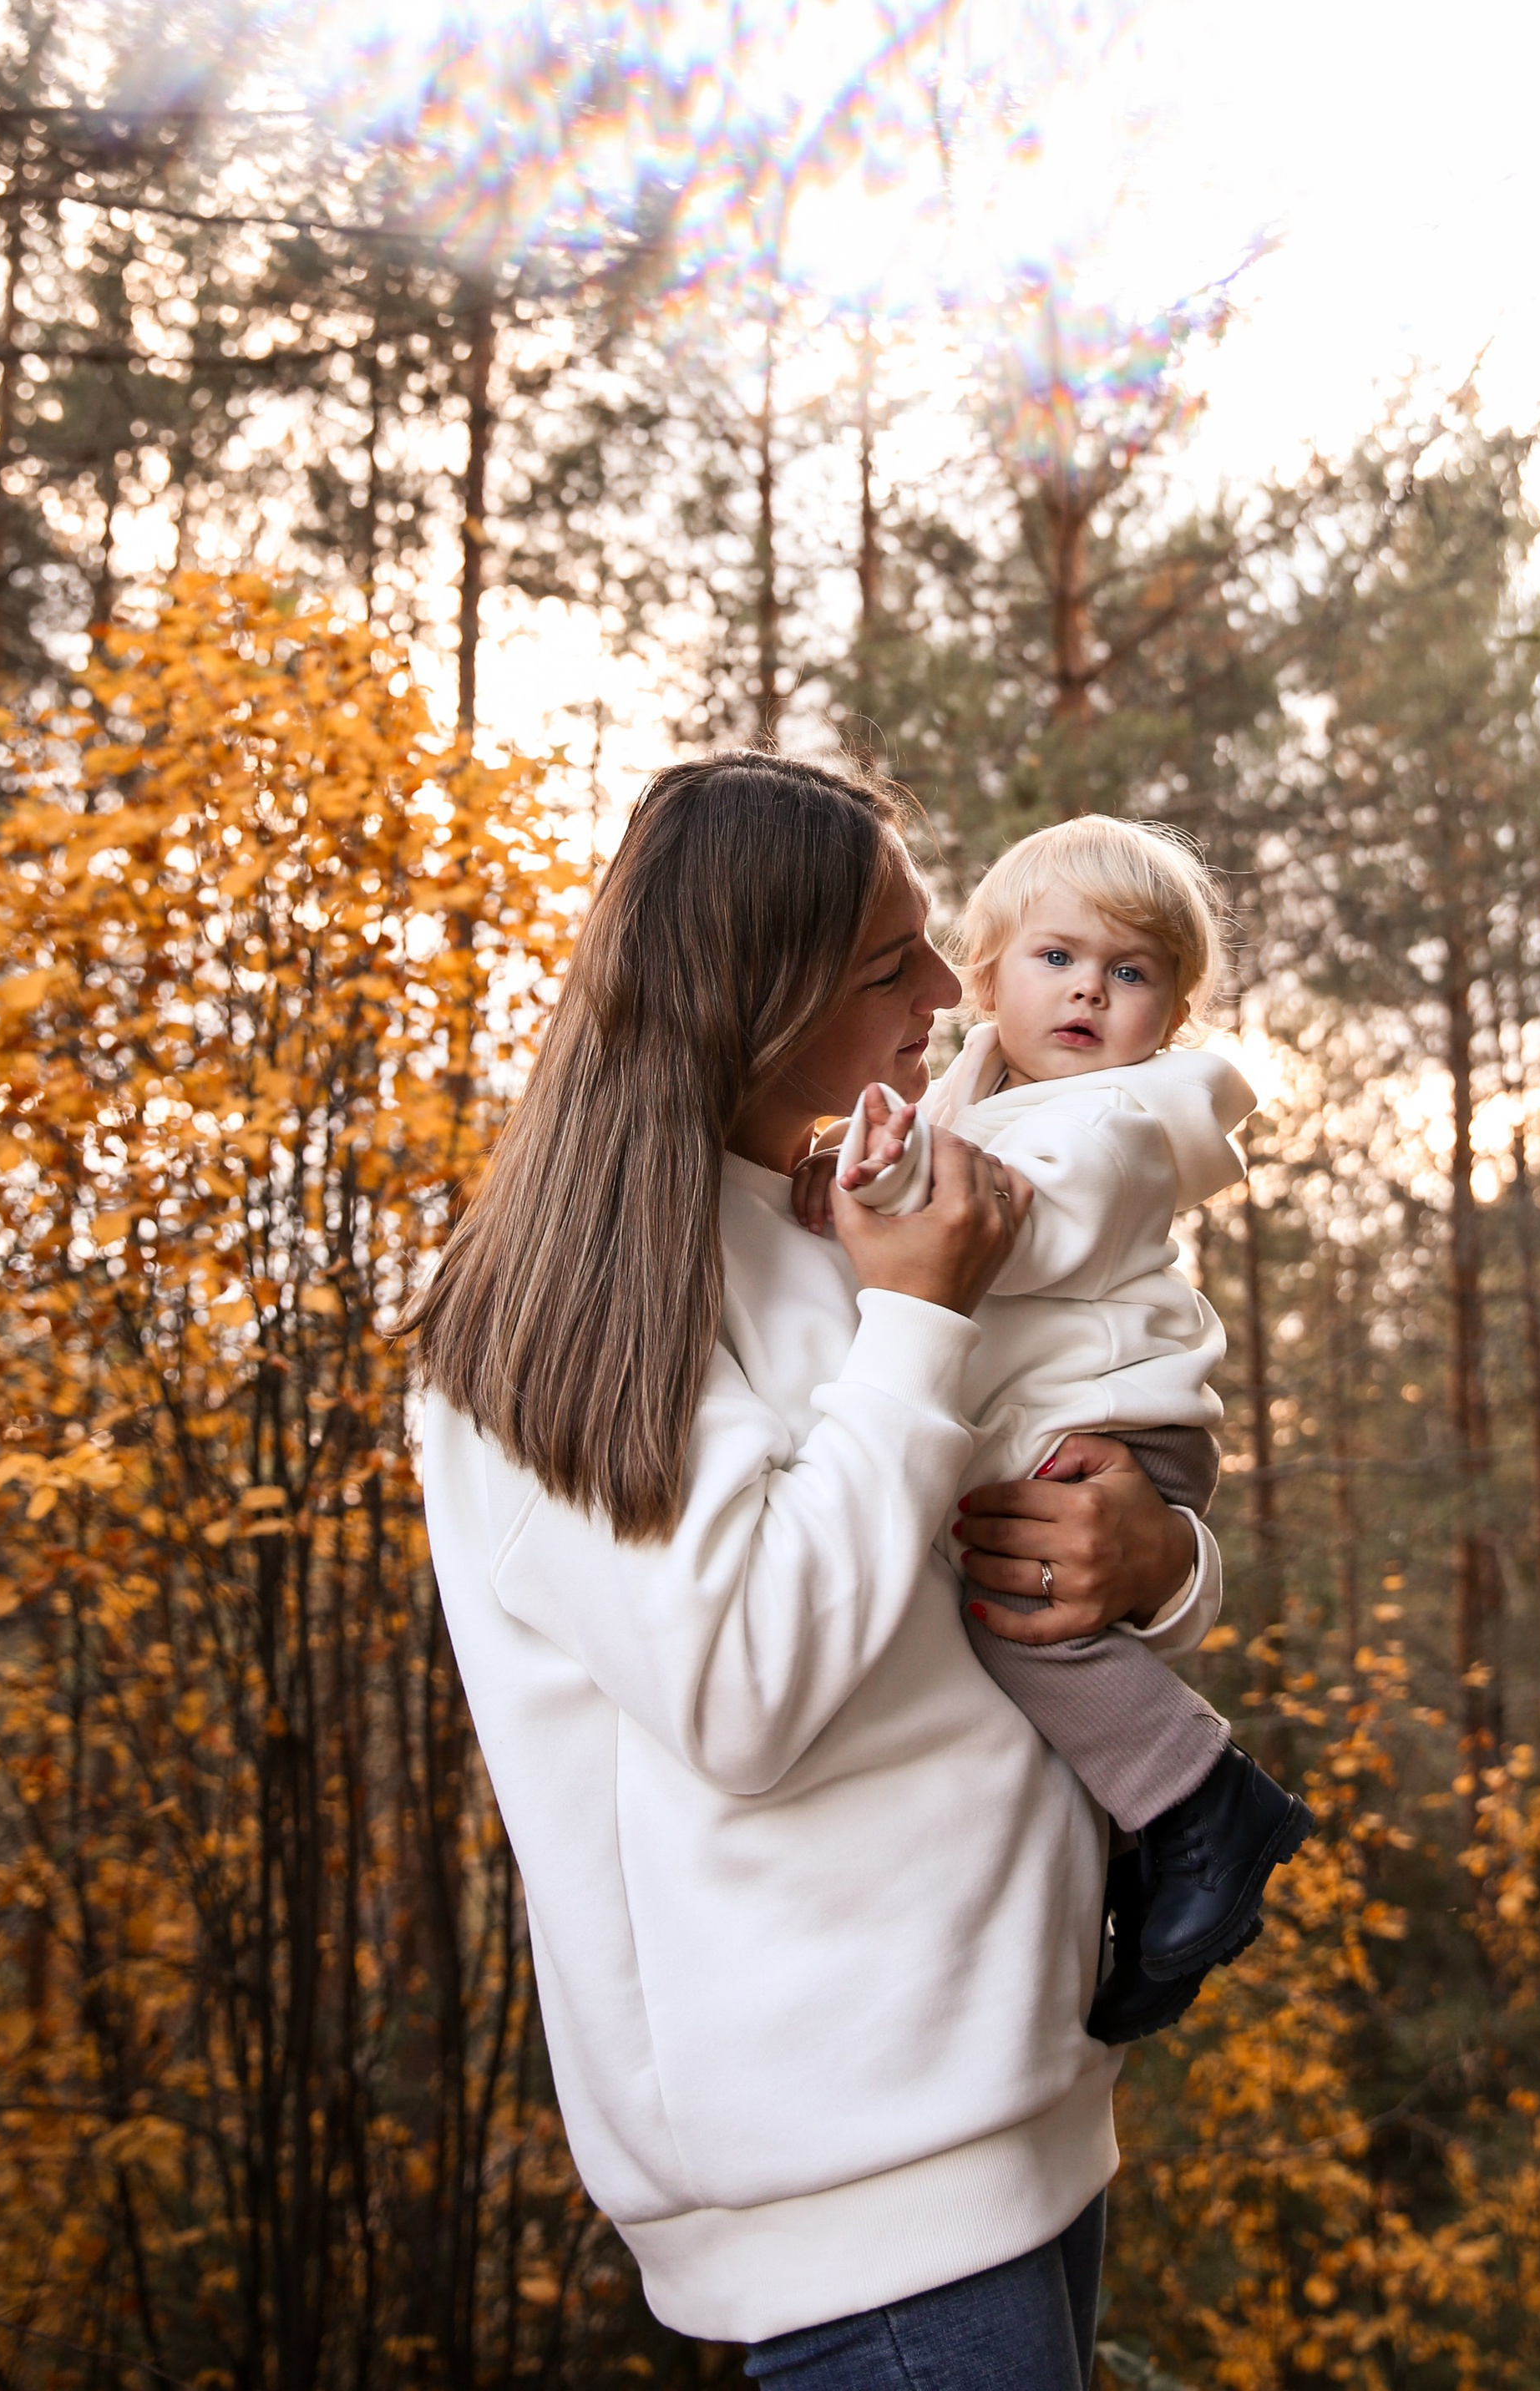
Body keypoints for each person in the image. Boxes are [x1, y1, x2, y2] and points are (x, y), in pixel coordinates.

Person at [412, 753, 1222, 2386]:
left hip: (1031, 2085)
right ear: (754, 992)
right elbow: (741, 1693)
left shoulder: (843, 1205)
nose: (948, 989)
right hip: (846, 2181)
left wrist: (1161, 1563)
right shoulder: (552, 1311)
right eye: (888, 963)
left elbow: (1001, 1556)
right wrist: (918, 1318)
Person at [803, 816, 1312, 2043]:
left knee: (1017, 1608)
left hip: (1113, 1425)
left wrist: (877, 1192)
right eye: (1059, 958)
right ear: (985, 981)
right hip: (1068, 1408)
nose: (1091, 988)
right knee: (1012, 1600)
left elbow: (1015, 1232)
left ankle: (1202, 1805)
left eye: (1132, 974)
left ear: (1168, 1020)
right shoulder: (985, 1089)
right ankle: (1149, 1843)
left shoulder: (1115, 1123)